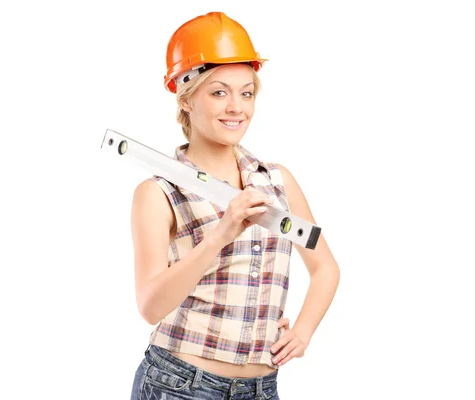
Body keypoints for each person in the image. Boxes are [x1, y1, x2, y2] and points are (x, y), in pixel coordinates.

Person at [129, 11, 340, 400]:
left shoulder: (277, 182)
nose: (236, 108)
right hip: (179, 385)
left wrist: (304, 332)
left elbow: (325, 267)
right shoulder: (159, 193)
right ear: (187, 98)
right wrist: (220, 235)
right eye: (219, 92)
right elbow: (150, 306)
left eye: (246, 92)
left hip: (261, 388)